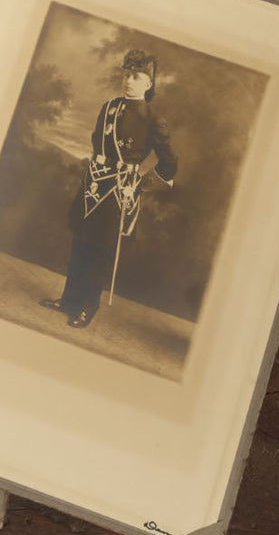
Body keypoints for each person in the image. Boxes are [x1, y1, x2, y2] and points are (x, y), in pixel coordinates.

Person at [40, 49, 178, 328]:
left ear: (148, 84)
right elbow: (96, 142)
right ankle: (68, 300)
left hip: (118, 192)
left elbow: (170, 162)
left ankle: (87, 308)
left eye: (136, 76)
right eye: (126, 75)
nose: (128, 80)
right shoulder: (110, 107)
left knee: (101, 253)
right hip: (93, 184)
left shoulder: (153, 119)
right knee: (80, 245)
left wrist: (140, 186)